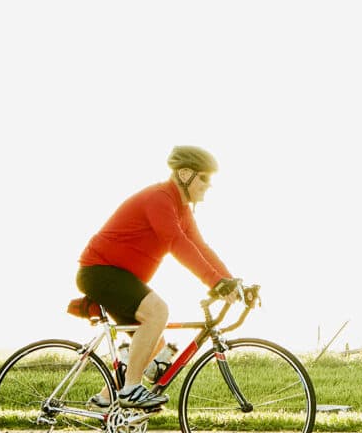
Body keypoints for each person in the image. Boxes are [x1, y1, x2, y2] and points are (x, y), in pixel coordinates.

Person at [78, 145, 248, 409]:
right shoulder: (159, 199)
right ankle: (131, 390)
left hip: (119, 276)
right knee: (158, 312)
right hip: (100, 271)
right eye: (204, 178)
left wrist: (231, 280)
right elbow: (176, 243)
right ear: (184, 174)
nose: (208, 185)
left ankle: (105, 400)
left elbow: (201, 248)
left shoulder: (182, 210)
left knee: (153, 345)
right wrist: (214, 282)